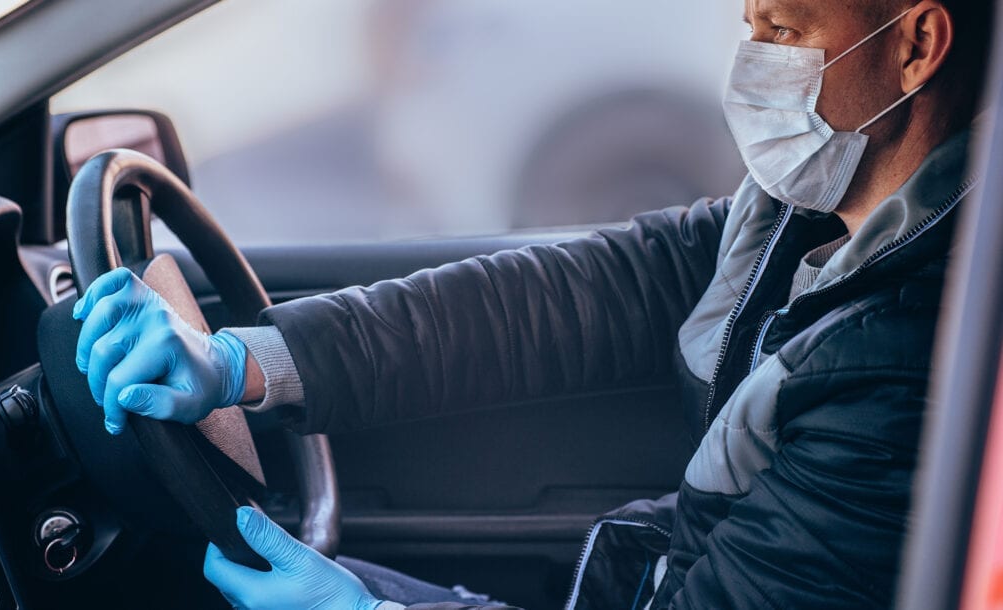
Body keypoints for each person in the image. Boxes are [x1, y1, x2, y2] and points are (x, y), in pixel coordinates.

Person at [71, 0, 992, 608]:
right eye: (747, 23)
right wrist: (246, 363)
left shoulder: (911, 369)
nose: (752, 63)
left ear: (915, 45)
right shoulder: (805, 212)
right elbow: (558, 299)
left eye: (784, 32)